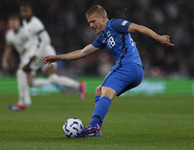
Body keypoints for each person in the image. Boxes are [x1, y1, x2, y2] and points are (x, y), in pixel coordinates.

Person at [43, 5, 174, 138]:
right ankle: (96, 129)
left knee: (104, 90)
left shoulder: (115, 24)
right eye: (89, 23)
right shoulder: (103, 37)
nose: (91, 25)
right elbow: (83, 52)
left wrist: (157, 37)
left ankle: (94, 126)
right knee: (99, 90)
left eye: (93, 21)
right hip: (136, 71)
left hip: (128, 66)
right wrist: (58, 58)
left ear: (103, 18)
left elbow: (137, 27)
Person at [2, 4, 86, 111]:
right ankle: (78, 85)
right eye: (22, 11)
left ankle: (23, 102)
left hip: (41, 53)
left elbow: (45, 39)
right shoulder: (24, 24)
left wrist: (34, 54)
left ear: (30, 11)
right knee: (50, 78)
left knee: (21, 72)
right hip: (40, 52)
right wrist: (27, 48)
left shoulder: (35, 23)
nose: (24, 13)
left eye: (26, 11)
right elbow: (32, 40)